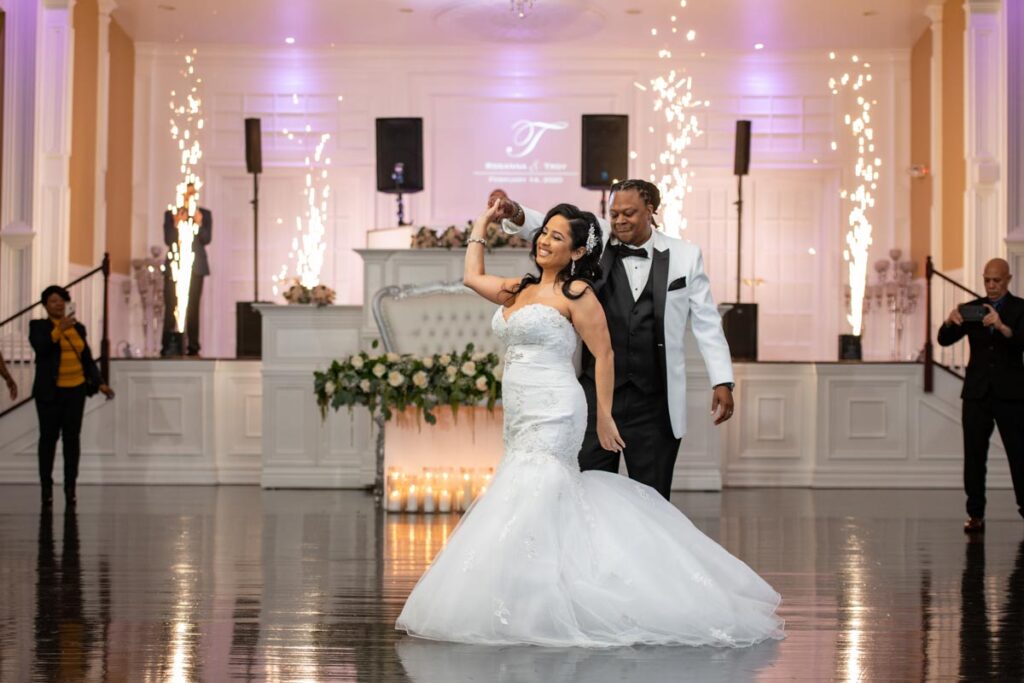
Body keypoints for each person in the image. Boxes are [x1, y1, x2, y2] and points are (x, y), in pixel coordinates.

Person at [395, 200, 783, 648]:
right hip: (520, 411)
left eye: (557, 237)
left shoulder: (577, 294)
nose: (544, 241)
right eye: (545, 234)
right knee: (527, 489)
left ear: (577, 251)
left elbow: (605, 354)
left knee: (539, 487)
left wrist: (604, 415)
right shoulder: (518, 288)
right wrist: (481, 222)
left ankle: (548, 600)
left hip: (557, 407)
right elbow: (470, 277)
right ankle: (528, 594)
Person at [494, 180, 734, 499]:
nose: (619, 220)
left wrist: (722, 380)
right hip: (593, 397)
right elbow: (551, 225)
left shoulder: (685, 256)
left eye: (628, 213)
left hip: (654, 403)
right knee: (585, 495)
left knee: (652, 501)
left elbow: (707, 322)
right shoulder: (599, 238)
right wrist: (514, 211)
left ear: (651, 210)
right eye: (614, 213)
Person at [937, 258, 1024, 533]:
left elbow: (1021, 341)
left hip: (1011, 394)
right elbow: (943, 339)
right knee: (974, 455)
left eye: (996, 280)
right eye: (987, 280)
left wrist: (1002, 326)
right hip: (977, 394)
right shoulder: (972, 309)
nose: (991, 285)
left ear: (1008, 280)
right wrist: (950, 321)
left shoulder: (1020, 308)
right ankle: (975, 514)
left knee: (1019, 454)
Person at [29, 286, 115, 506]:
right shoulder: (38, 326)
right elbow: (42, 348)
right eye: (53, 301)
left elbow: (86, 359)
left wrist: (100, 383)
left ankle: (70, 487)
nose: (58, 304)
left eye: (61, 300)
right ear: (45, 305)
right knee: (48, 440)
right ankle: (46, 487)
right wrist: (59, 329)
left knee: (72, 439)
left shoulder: (79, 328)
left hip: (75, 390)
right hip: (49, 393)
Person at [161, 182, 212, 356]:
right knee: (171, 305)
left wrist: (198, 224)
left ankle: (193, 346)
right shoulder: (171, 214)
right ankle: (168, 346)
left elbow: (206, 239)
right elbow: (168, 240)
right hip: (175, 267)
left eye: (192, 194)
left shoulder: (204, 214)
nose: (189, 197)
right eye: (186, 194)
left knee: (193, 307)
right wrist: (176, 225)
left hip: (196, 268)